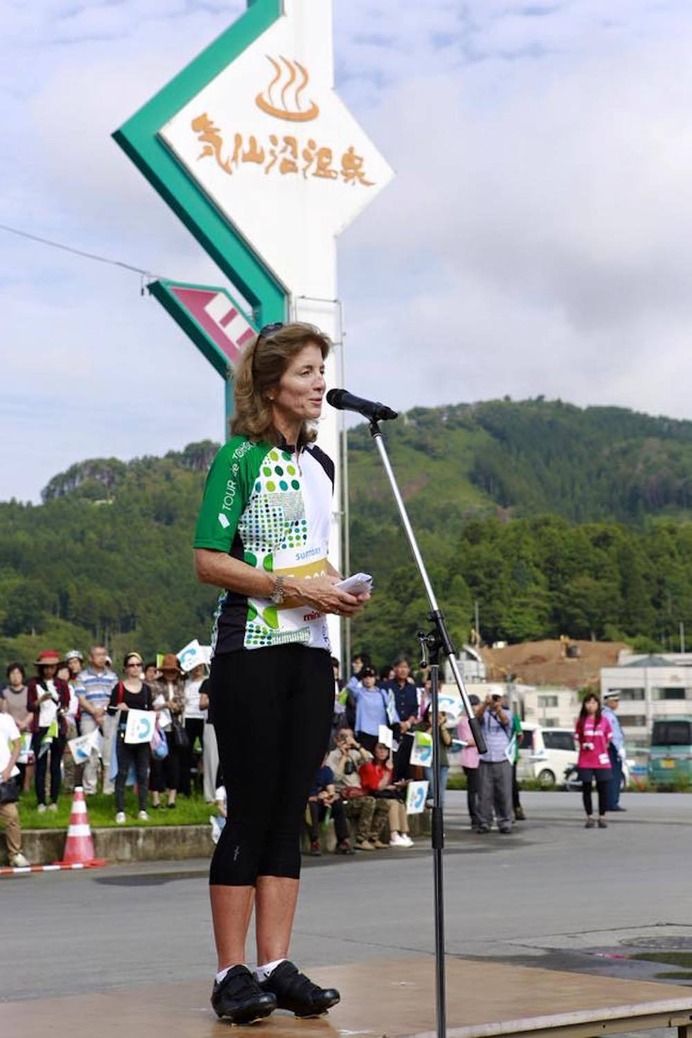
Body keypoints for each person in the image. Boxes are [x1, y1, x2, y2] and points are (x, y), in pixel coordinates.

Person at [193, 321, 369, 1024]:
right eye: (305, 372)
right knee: (253, 805)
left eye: (322, 370)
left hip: (310, 651)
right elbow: (210, 560)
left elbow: (312, 560)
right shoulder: (237, 459)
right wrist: (296, 591)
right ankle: (229, 971)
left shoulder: (322, 466)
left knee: (291, 808)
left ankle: (275, 963)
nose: (320, 382)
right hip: (251, 650)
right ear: (271, 386)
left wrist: (339, 590)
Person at [107, 652, 155, 823]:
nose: (135, 668)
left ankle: (142, 808)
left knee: (143, 773)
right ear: (126, 668)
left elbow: (150, 710)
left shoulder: (146, 689)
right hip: (124, 733)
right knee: (122, 772)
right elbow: (110, 709)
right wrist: (119, 707)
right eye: (132, 665)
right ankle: (120, 809)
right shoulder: (119, 688)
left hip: (141, 735)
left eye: (138, 665)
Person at [327, 727, 389, 850]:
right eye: (343, 737)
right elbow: (335, 777)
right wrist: (343, 757)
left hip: (359, 794)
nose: (346, 741)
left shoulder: (355, 754)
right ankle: (361, 840)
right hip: (344, 798)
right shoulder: (332, 756)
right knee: (370, 801)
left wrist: (356, 745)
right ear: (336, 739)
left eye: (349, 737)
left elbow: (369, 759)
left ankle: (373, 837)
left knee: (383, 804)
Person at [27, 650, 71, 812]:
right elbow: (30, 706)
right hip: (41, 728)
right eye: (45, 667)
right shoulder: (33, 684)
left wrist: (62, 710)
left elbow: (66, 703)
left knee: (55, 765)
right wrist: (40, 700)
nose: (48, 670)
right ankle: (40, 801)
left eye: (52, 667)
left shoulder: (62, 684)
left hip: (57, 727)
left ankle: (54, 799)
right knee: (41, 765)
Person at [74, 645, 118, 795]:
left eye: (104, 655)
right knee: (90, 754)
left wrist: (103, 711)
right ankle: (89, 789)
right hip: (88, 717)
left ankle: (108, 788)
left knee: (109, 753)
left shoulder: (112, 676)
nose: (101, 658)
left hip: (108, 717)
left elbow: (114, 697)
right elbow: (81, 697)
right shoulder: (82, 676)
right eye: (98, 655)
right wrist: (94, 712)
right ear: (90, 658)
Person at [148, 654, 186, 810]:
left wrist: (174, 706)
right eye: (168, 671)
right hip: (158, 729)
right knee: (156, 763)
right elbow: (151, 704)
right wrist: (166, 705)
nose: (171, 674)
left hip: (174, 727)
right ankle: (156, 797)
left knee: (174, 763)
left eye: (173, 671)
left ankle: (172, 797)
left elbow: (182, 704)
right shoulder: (154, 685)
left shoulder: (180, 685)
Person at [359, 741, 412, 847]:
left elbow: (386, 785)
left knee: (400, 802)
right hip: (370, 795)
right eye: (380, 748)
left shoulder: (385, 767)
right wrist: (388, 771)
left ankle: (404, 833)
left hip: (381, 794)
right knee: (392, 803)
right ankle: (394, 834)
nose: (383, 751)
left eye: (386, 749)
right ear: (374, 750)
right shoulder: (369, 766)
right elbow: (377, 786)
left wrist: (399, 785)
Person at [476, 689, 515, 834]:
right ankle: (484, 822)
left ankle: (505, 822)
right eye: (494, 697)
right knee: (484, 794)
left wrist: (498, 709)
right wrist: (485, 704)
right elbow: (476, 718)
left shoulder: (508, 713)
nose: (495, 700)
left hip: (502, 758)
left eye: (498, 698)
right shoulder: (484, 713)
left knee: (504, 793)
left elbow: (505, 721)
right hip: (485, 758)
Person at [575, 693, 613, 829]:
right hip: (585, 760)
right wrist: (585, 745)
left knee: (603, 788)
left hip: (601, 760)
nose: (591, 706)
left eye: (594, 703)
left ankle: (602, 816)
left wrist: (600, 749)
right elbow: (578, 739)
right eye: (588, 703)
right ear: (584, 705)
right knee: (586, 788)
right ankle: (589, 816)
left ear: (598, 705)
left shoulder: (605, 721)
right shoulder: (580, 721)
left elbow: (608, 739)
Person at [305, 755, 353, 857]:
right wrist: (317, 797)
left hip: (322, 804)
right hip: (309, 805)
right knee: (311, 806)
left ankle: (343, 841)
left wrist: (330, 797)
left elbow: (331, 788)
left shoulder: (326, 770)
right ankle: (314, 842)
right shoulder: (305, 771)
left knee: (338, 802)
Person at [0, 709, 29, 867]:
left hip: (3, 777)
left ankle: (15, 854)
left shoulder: (6, 720)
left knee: (11, 816)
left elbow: (17, 745)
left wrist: (8, 769)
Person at [1, 663, 33, 793]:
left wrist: (25, 723)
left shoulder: (29, 691)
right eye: (12, 674)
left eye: (18, 673)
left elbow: (33, 710)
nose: (15, 677)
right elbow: (4, 711)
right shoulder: (4, 693)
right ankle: (12, 783)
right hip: (11, 727)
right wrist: (15, 722)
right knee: (11, 755)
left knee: (29, 760)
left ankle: (27, 786)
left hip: (28, 728)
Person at [180, 662, 207, 796]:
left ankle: (203, 786)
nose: (198, 670)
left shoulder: (207, 681)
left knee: (206, 753)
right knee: (186, 753)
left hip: (203, 718)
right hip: (188, 718)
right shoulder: (186, 683)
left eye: (200, 667)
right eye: (195, 667)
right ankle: (186, 788)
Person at [353, 666, 391, 753]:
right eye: (365, 677)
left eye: (370, 676)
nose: (368, 679)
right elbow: (350, 686)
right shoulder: (359, 692)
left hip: (381, 732)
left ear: (375, 678)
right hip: (364, 732)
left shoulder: (382, 693)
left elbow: (391, 710)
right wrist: (359, 674)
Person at [458, 694, 481, 830]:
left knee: (480, 789)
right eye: (472, 705)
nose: (474, 707)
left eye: (476, 704)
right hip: (470, 759)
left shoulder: (478, 720)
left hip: (480, 758)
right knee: (473, 790)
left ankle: (480, 814)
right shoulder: (464, 721)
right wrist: (481, 740)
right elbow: (467, 741)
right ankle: (474, 817)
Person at [602, 690, 626, 812]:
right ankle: (611, 802)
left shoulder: (607, 714)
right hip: (612, 748)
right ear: (609, 701)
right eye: (615, 701)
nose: (617, 703)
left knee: (612, 776)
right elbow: (613, 734)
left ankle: (610, 801)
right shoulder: (608, 716)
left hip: (611, 748)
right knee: (614, 776)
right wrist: (619, 748)